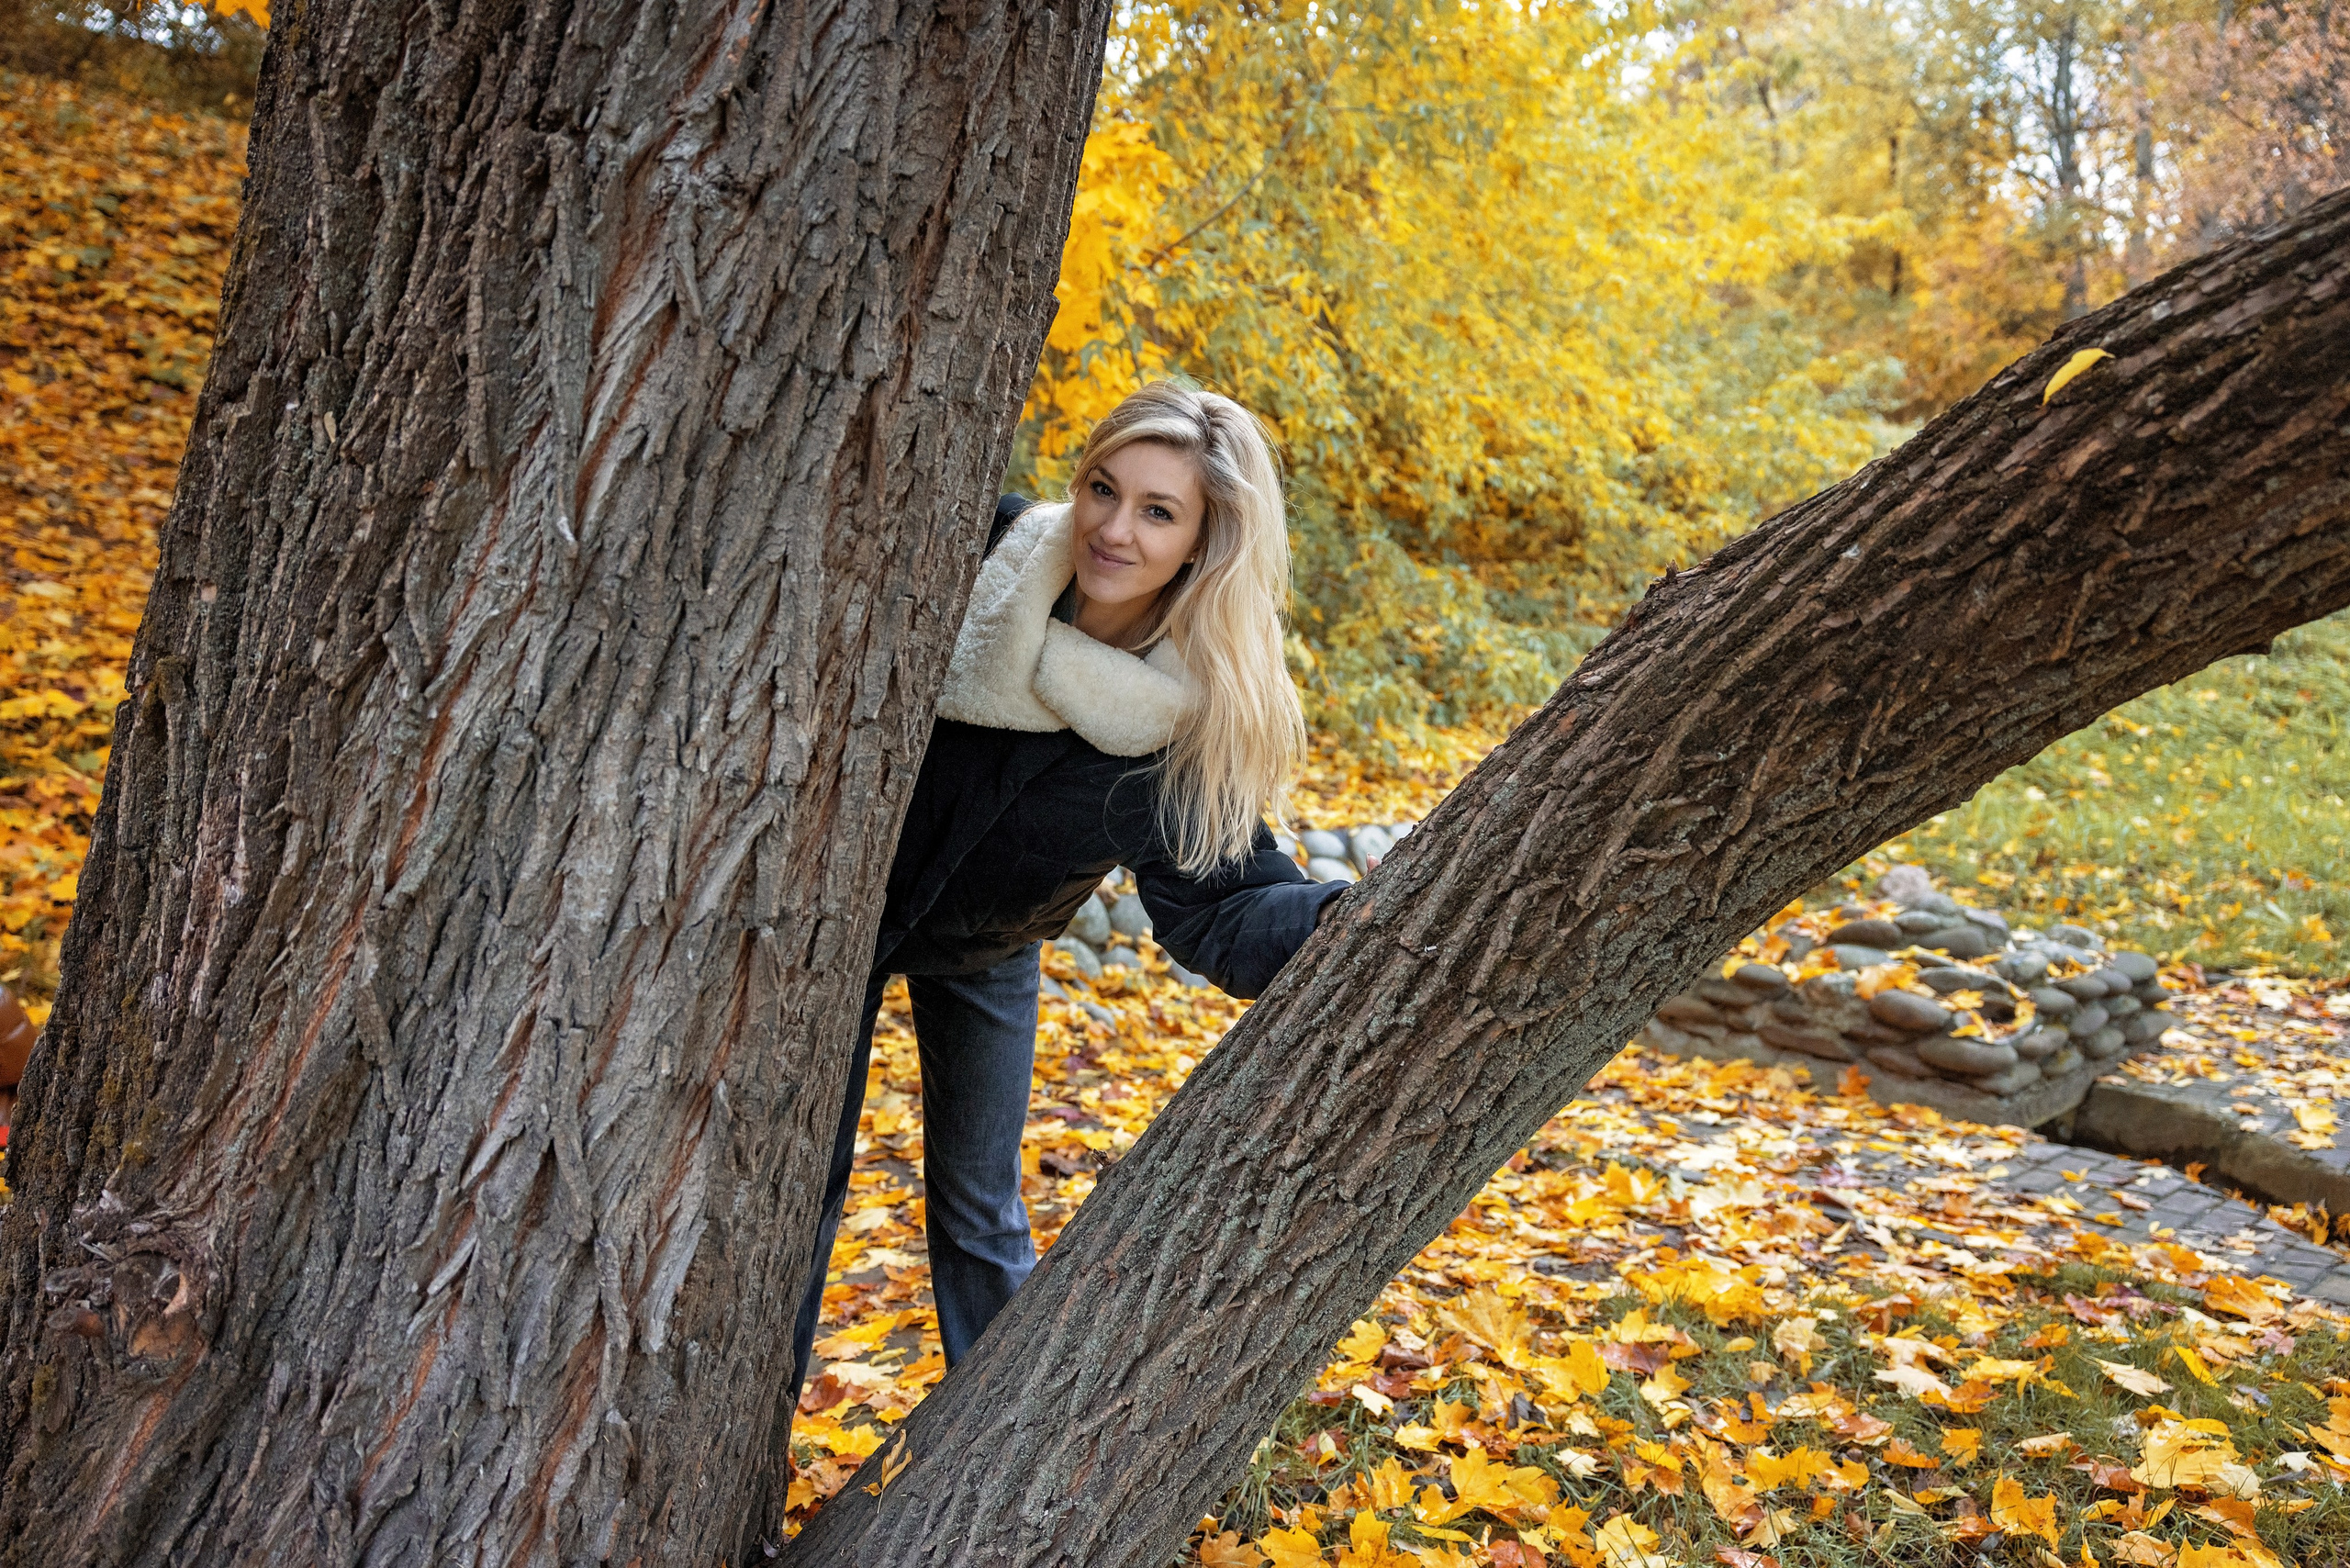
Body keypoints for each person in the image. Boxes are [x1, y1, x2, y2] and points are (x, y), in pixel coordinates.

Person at [789, 382, 1346, 1394]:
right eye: (1103, 488)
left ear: (1202, 544)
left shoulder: (1171, 721)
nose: (1113, 528)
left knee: (980, 1209)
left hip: (987, 940)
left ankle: (990, 1450)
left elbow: (1222, 902)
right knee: (794, 1194)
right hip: (824, 933)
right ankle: (748, 1440)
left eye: (1157, 511)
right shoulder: (987, 559)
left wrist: (1343, 918)